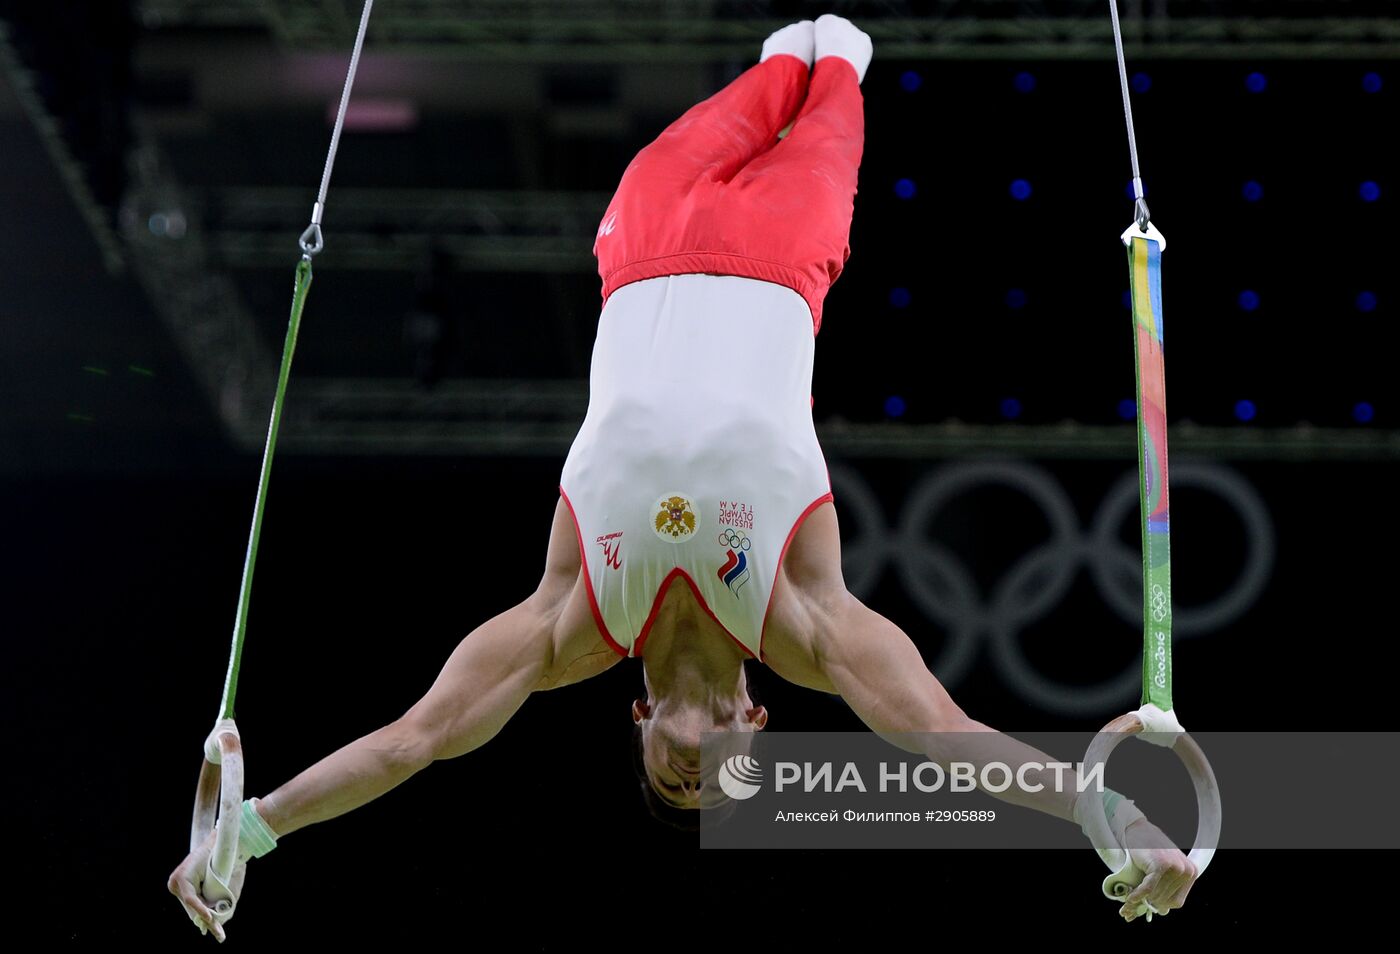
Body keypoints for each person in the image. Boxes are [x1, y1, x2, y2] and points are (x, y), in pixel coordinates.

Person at [170, 15, 1197, 940]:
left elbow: (413, 742)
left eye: (675, 773)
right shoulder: (799, 623)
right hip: (781, 261)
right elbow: (947, 736)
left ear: (641, 724)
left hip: (642, 250)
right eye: (724, 777)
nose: (699, 765)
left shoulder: (571, 624)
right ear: (756, 723)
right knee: (835, 66)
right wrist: (1105, 814)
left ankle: (786, 54)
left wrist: (250, 832)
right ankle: (827, 52)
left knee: (770, 69)